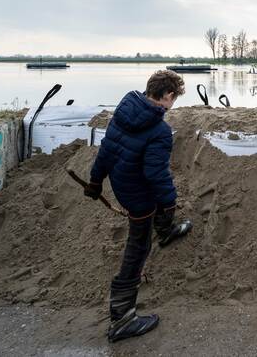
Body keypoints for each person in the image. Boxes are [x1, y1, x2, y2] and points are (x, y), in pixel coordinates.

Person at [84, 70, 193, 343]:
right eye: (174, 99)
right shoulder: (160, 131)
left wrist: (95, 182)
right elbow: (155, 175)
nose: (173, 104)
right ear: (168, 95)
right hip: (139, 197)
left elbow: (107, 150)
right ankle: (123, 318)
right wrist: (169, 203)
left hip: (121, 185)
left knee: (153, 215)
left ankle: (165, 232)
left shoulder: (122, 112)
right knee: (138, 248)